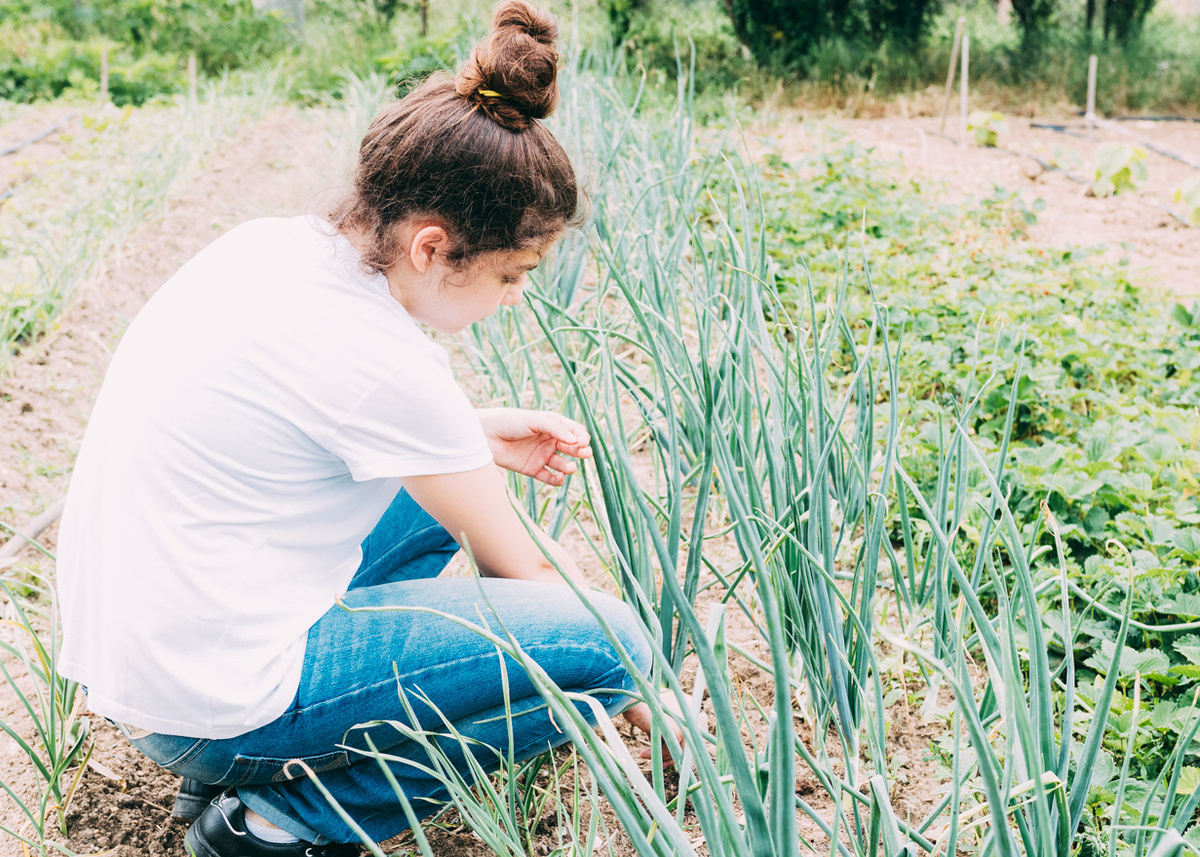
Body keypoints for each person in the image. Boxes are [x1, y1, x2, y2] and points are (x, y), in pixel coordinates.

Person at [55, 3, 674, 855]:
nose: (516, 295)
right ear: (430, 246)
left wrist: (468, 431)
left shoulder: (272, 249)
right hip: (213, 700)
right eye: (510, 272)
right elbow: (521, 569)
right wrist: (638, 680)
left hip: (149, 666)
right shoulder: (388, 364)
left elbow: (299, 425)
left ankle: (233, 771)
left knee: (437, 508)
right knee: (610, 644)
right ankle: (278, 825)